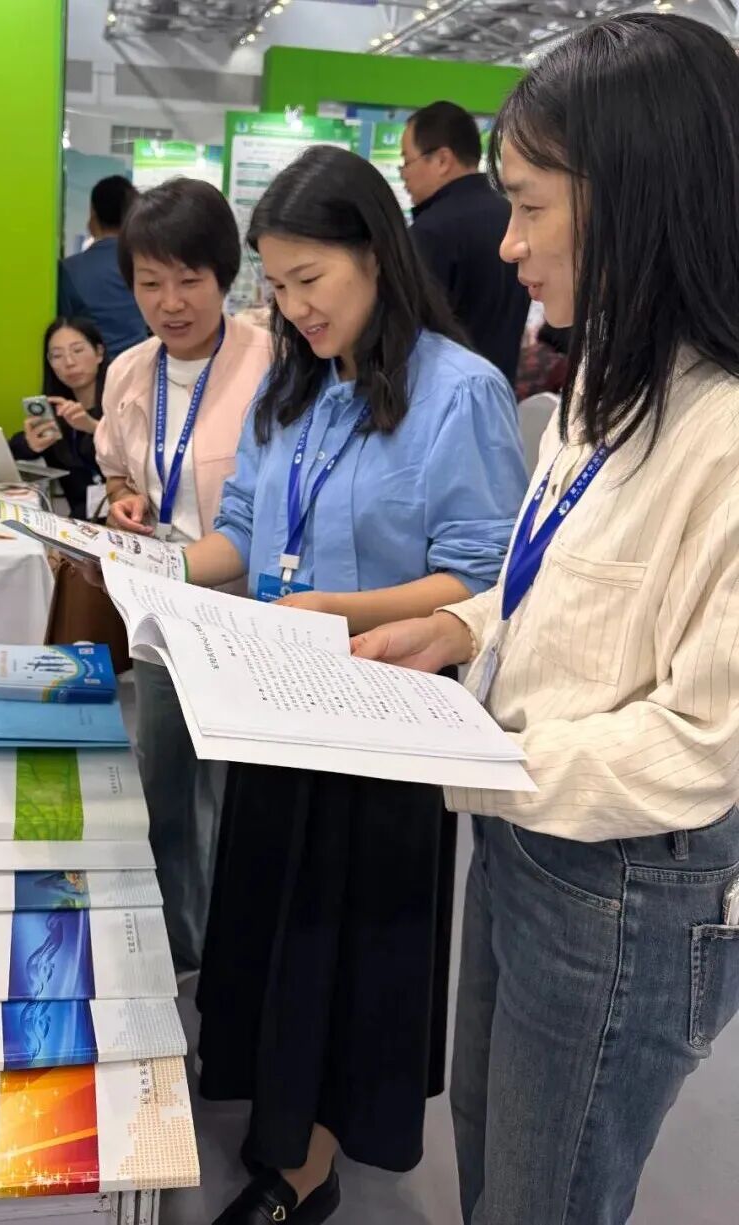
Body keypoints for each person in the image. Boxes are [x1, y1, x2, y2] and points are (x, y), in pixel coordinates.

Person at [354, 15, 739, 1224]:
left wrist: (474, 759)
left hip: (624, 885)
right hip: (526, 830)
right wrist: (469, 630)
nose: (506, 244)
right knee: (492, 1162)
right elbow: (562, 573)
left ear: (639, 198)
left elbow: (704, 742)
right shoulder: (610, 374)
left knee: (543, 1199)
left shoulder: (725, 432)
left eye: (529, 206)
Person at [181, 145, 527, 1225]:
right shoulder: (295, 384)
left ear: (376, 254)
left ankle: (305, 1167)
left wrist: (336, 611)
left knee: (339, 955)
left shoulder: (459, 392)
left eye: (311, 280)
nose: (294, 308)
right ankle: (276, 1121)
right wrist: (144, 570)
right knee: (272, 927)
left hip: (381, 726)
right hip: (273, 709)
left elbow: (483, 575)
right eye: (278, 286)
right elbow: (244, 530)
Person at [94, 177, 271, 971]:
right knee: (164, 788)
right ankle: (178, 954)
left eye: (189, 280)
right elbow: (117, 467)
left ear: (224, 276)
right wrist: (123, 498)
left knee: (241, 800)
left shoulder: (274, 363)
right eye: (150, 282)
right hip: (164, 616)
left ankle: (241, 964)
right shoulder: (130, 372)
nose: (170, 303)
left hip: (251, 618)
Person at [401, 101, 529, 385]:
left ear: (442, 160)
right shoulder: (512, 215)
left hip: (441, 396)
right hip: (500, 389)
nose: (404, 174)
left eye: (407, 161)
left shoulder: (431, 231)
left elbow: (410, 334)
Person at [10, 317, 108, 519]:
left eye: (78, 350)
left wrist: (93, 427)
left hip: (124, 522)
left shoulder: (126, 403)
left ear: (99, 353)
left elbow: (136, 456)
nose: (69, 362)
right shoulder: (59, 412)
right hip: (77, 526)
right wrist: (30, 445)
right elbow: (10, 451)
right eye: (57, 355)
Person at [58, 176, 148, 362]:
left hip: (93, 371)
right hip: (142, 365)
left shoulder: (69, 270)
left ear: (93, 213)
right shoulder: (147, 265)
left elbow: (62, 328)